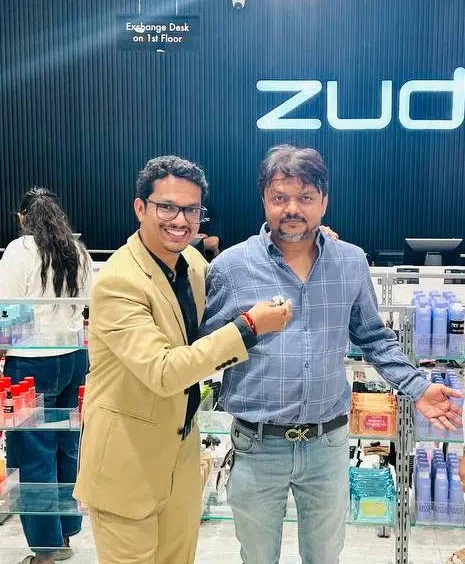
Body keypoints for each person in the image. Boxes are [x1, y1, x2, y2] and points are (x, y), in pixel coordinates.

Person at [201, 145, 462, 564]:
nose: (292, 208)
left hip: (327, 445)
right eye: (280, 197)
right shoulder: (231, 267)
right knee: (257, 557)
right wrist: (248, 327)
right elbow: (206, 351)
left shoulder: (350, 262)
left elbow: (374, 337)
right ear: (264, 199)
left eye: (305, 197)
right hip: (256, 444)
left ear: (324, 201)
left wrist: (418, 387)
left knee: (325, 557)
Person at [73, 155, 291, 564]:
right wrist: (248, 327)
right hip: (127, 463)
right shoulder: (120, 281)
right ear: (140, 208)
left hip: (181, 453)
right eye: (167, 207)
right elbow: (163, 371)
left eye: (191, 210)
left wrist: (302, 243)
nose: (180, 220)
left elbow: (241, 276)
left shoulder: (190, 263)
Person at [0, 187, 92, 564]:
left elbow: (8, 313)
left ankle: (45, 551)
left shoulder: (19, 251)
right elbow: (86, 307)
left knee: (33, 454)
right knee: (67, 446)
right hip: (74, 358)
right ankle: (65, 534)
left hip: (31, 361)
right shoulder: (77, 250)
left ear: (22, 218)